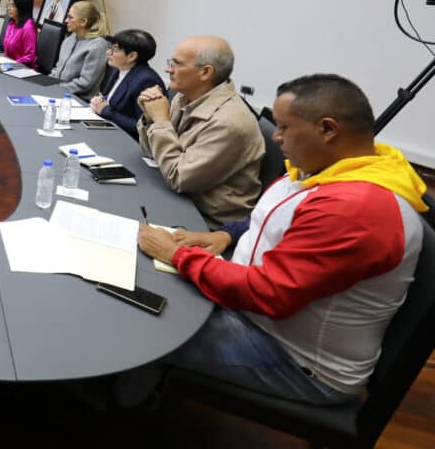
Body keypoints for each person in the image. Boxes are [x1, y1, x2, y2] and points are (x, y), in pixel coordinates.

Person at [137, 74, 427, 404]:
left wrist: (177, 256)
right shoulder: (335, 167)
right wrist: (224, 234)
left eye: (283, 127)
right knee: (147, 292)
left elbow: (268, 294)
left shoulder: (357, 209)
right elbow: (273, 215)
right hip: (253, 312)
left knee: (148, 328)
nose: (275, 136)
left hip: (294, 359)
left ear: (328, 129)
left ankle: (124, 403)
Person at [137, 36, 265, 227]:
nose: (168, 69)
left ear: (205, 72)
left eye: (176, 64)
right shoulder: (185, 97)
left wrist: (161, 121)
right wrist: (150, 118)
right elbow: (155, 154)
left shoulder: (229, 122)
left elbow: (179, 178)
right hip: (178, 198)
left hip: (205, 222)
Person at [90, 29, 166, 139]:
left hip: (128, 140)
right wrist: (100, 101)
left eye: (114, 49)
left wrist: (105, 110)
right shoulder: (120, 69)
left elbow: (141, 127)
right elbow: (110, 101)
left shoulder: (147, 81)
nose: (108, 52)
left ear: (132, 56)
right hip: (109, 131)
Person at [49, 1, 109, 99]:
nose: (66, 20)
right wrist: (45, 83)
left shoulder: (98, 46)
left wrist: (57, 89)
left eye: (70, 17)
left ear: (83, 22)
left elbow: (85, 83)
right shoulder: (69, 39)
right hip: (59, 92)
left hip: (79, 99)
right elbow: (58, 69)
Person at [3, 0, 37, 68]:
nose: (9, 8)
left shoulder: (28, 28)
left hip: (22, 69)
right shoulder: (12, 22)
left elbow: (30, 57)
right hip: (8, 66)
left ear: (22, 7)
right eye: (9, 5)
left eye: (13, 6)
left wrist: (12, 64)